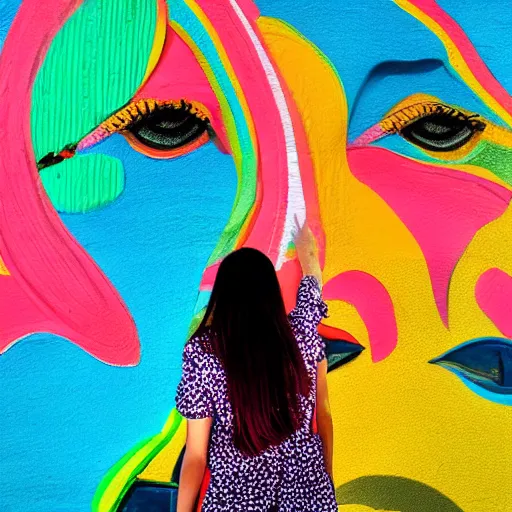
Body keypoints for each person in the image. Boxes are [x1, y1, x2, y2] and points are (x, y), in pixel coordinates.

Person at [175, 220, 337, 511]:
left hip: (236, 502)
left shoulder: (204, 354)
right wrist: (304, 243)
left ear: (223, 297)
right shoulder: (300, 338)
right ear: (271, 294)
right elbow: (323, 417)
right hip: (308, 497)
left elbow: (196, 456)